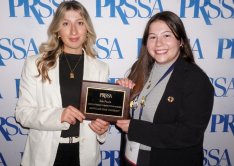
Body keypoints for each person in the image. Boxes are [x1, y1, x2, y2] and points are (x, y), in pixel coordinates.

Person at [15, 1, 110, 166]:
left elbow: (100, 115)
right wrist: (58, 115)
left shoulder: (101, 68)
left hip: (85, 158)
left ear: (87, 29)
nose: (73, 30)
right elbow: (23, 113)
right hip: (43, 157)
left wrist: (102, 129)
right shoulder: (36, 64)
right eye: (66, 23)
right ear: (57, 30)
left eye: (79, 23)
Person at [116, 11, 214, 166]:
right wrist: (122, 95)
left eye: (166, 36)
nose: (158, 43)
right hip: (132, 156)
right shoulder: (139, 69)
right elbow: (132, 112)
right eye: (153, 37)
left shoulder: (196, 80)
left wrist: (136, 129)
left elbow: (189, 134)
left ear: (180, 41)